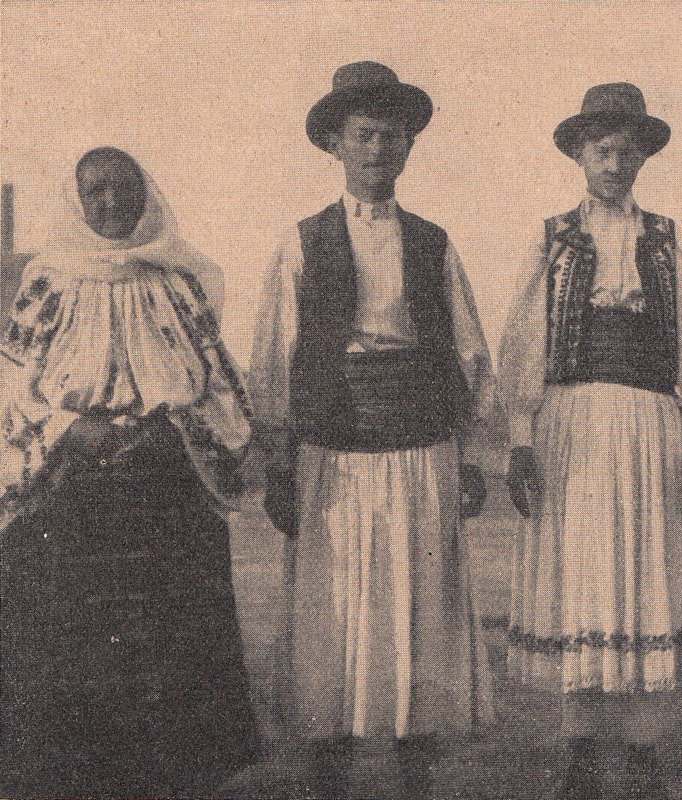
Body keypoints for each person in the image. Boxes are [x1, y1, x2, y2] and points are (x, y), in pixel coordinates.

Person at [248, 61, 495, 799]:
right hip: (334, 452)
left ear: (410, 147)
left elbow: (470, 351)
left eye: (393, 136)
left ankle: (415, 776)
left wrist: (473, 454)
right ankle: (332, 777)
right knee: (337, 616)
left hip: (421, 450)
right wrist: (280, 467)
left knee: (418, 612)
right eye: (364, 135)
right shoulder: (300, 243)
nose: (379, 149)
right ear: (335, 144)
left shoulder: (433, 243)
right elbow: (274, 360)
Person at [0, 147, 257, 797]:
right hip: (68, 490)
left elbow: (217, 385)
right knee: (71, 643)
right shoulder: (47, 282)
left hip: (165, 485)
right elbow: (13, 380)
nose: (108, 203)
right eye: (94, 191)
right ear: (76, 199)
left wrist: (171, 429)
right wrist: (70, 429)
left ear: (146, 194)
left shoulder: (182, 281)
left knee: (167, 650)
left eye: (121, 189)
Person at [499, 82, 682, 799]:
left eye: (627, 151)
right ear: (580, 157)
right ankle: (582, 746)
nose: (615, 163)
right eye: (602, 151)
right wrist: (521, 437)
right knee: (581, 576)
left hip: (650, 422)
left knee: (645, 570)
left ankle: (646, 750)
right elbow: (525, 340)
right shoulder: (552, 237)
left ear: (643, 159)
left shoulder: (668, 239)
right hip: (572, 424)